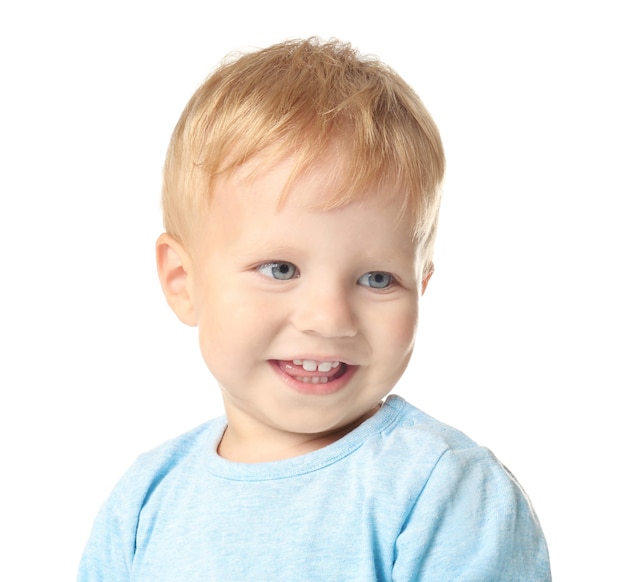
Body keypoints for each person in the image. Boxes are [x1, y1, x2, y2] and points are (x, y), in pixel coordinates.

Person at [78, 38, 551, 581]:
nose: (329, 318)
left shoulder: (445, 492)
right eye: (280, 269)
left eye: (377, 279)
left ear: (421, 286)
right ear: (183, 282)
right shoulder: (144, 499)